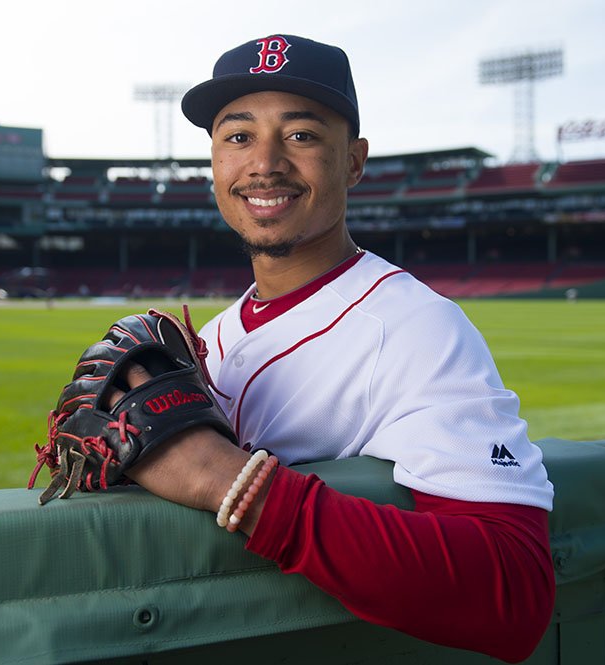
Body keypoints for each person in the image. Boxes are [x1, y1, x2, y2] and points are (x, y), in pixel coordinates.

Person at [106, 35, 555, 663]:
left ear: (353, 162)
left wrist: (224, 480)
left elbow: (514, 592)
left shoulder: (415, 327)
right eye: (238, 137)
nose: (264, 163)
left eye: (301, 135)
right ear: (213, 162)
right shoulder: (211, 337)